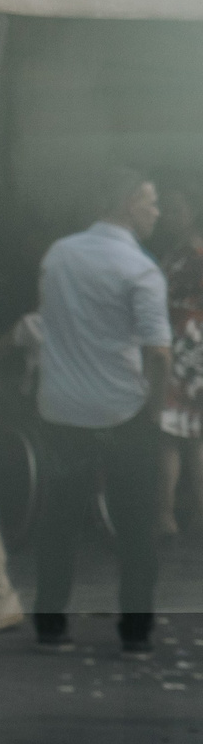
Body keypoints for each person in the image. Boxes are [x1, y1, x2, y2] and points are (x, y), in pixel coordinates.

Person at [31, 168, 172, 656]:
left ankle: (50, 625)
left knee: (59, 522)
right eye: (151, 202)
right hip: (123, 412)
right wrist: (155, 410)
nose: (157, 212)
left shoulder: (58, 254)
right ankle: (135, 632)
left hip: (62, 410)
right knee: (136, 527)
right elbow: (158, 353)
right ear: (128, 203)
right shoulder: (141, 270)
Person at [151, 187, 203, 539]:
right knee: (195, 437)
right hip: (195, 345)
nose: (168, 216)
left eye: (175, 209)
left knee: (170, 436)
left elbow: (162, 297)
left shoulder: (185, 255)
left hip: (182, 346)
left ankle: (166, 516)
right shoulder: (185, 251)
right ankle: (198, 514)